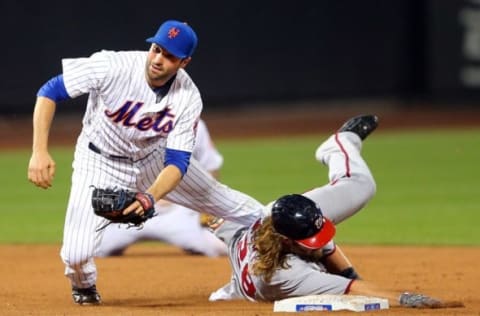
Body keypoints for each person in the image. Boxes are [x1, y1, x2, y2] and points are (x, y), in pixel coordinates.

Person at [27, 20, 264, 305]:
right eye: (156, 49)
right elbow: (50, 90)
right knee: (76, 255)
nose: (158, 59)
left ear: (184, 62)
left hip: (155, 160)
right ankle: (84, 285)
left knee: (234, 205)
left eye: (170, 56)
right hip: (98, 161)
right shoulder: (113, 66)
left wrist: (151, 197)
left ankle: (301, 239)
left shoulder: (188, 98)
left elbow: (177, 162)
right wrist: (39, 151)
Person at [209, 115, 463, 309]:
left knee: (359, 186)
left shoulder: (273, 219)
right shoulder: (286, 275)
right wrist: (406, 299)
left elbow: (222, 223)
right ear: (286, 242)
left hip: (262, 230)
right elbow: (353, 290)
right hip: (262, 280)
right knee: (314, 268)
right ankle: (231, 291)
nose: (318, 242)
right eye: (308, 241)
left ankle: (340, 144)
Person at [97, 119, 227, 257]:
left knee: (223, 247)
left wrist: (207, 211)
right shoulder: (119, 121)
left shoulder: (192, 121)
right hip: (129, 213)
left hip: (180, 213)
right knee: (83, 250)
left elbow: (211, 167)